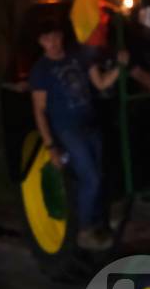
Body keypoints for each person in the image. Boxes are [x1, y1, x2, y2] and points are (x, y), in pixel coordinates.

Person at [28, 21, 128, 251]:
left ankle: (100, 223)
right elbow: (39, 110)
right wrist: (50, 145)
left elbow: (100, 82)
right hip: (68, 129)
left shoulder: (77, 56)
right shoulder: (41, 71)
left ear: (61, 36)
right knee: (90, 177)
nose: (51, 43)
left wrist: (119, 67)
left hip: (89, 123)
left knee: (100, 175)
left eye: (54, 37)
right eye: (46, 40)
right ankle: (85, 229)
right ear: (40, 43)